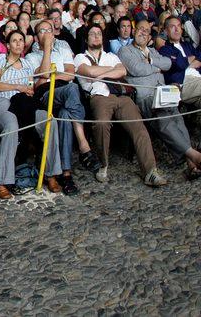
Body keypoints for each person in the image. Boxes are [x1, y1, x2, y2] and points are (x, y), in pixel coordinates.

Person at [73, 24, 167, 187]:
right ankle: (103, 165)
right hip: (98, 97)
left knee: (138, 126)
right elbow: (88, 72)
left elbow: (122, 71)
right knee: (102, 124)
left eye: (98, 33)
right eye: (92, 34)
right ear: (86, 38)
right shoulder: (80, 57)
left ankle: (150, 171)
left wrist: (100, 74)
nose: (96, 36)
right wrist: (110, 72)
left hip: (121, 95)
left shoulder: (111, 55)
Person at [119, 21, 201, 180]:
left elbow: (169, 63)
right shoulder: (125, 50)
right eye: (140, 29)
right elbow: (136, 69)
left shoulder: (152, 52)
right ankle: (194, 155)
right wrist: (157, 67)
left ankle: (191, 163)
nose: (143, 32)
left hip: (164, 92)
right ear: (134, 32)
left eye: (147, 31)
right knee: (163, 118)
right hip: (146, 95)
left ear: (150, 37)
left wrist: (151, 62)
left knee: (177, 118)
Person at [0, 30, 63, 198]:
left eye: (20, 40)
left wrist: (26, 89)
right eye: (13, 40)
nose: (17, 43)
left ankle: (51, 173)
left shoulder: (27, 63)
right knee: (11, 125)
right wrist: (18, 87)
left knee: (49, 121)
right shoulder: (1, 59)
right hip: (3, 102)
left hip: (22, 104)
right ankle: (2, 181)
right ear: (8, 45)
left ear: (24, 44)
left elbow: (36, 81)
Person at [31, 21, 99, 194]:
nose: (46, 33)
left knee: (65, 115)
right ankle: (83, 144)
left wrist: (52, 76)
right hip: (46, 95)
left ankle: (66, 175)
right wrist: (46, 49)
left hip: (65, 93)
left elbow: (70, 73)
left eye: (49, 30)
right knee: (72, 89)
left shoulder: (63, 49)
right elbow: (43, 77)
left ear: (55, 34)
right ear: (36, 36)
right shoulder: (31, 56)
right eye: (41, 31)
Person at [158, 16, 201, 104]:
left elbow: (199, 58)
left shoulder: (187, 45)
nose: (177, 29)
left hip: (198, 79)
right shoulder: (164, 50)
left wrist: (185, 63)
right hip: (183, 83)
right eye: (173, 26)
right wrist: (191, 60)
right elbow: (177, 65)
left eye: (178, 26)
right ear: (166, 31)